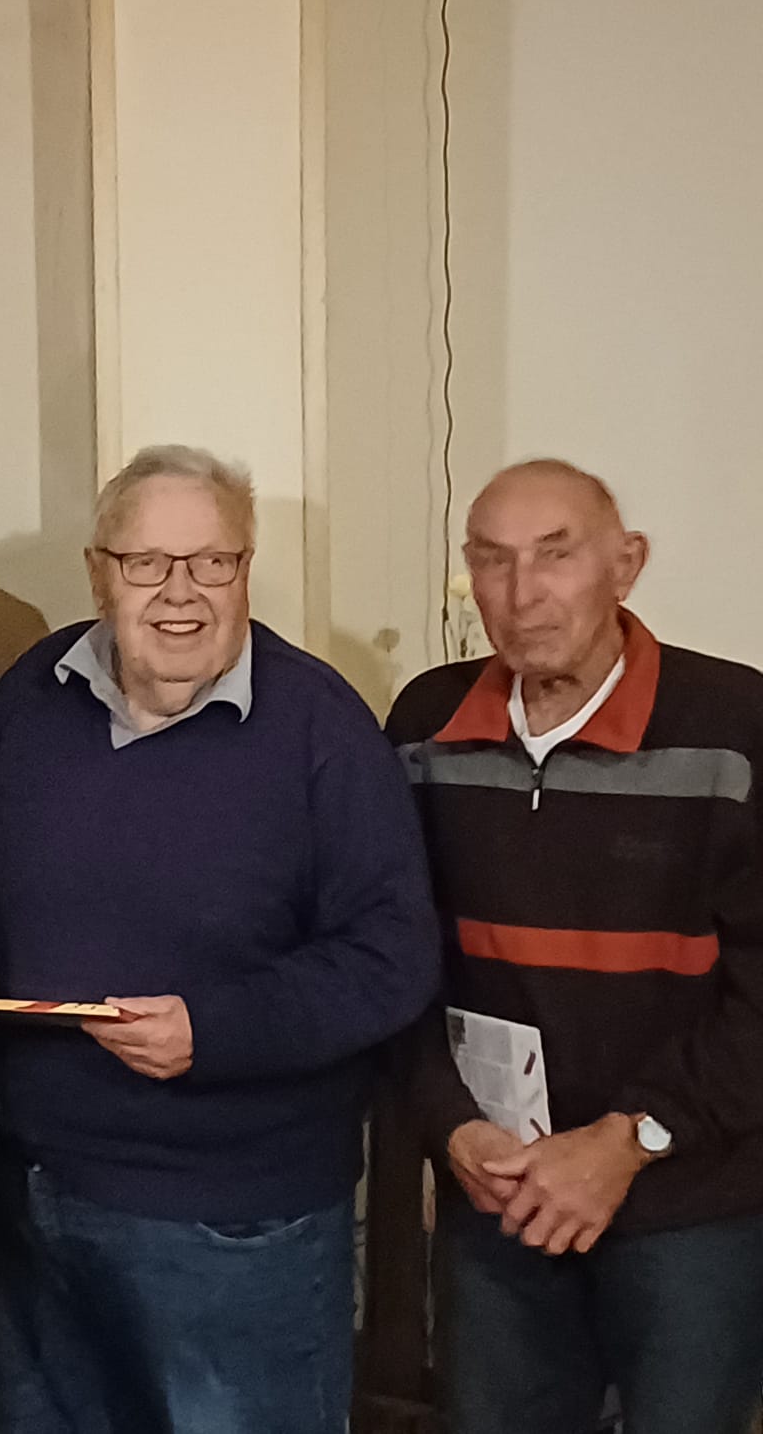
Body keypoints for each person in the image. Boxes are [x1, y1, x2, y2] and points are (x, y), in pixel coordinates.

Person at [0, 444, 440, 1433]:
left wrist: (214, 1031)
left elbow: (391, 956)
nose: (179, 592)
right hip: (31, 1203)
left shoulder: (320, 726)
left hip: (237, 1224)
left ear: (244, 569)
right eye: (146, 563)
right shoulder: (30, 697)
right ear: (99, 573)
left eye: (211, 562)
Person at [387, 459, 763, 1434]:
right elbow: (391, 960)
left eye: (555, 556)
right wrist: (450, 1127)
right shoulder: (422, 727)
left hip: (691, 1204)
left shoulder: (737, 729)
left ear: (624, 564)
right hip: (497, 1192)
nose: (521, 594)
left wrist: (630, 1140)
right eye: (491, 560)